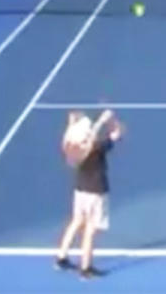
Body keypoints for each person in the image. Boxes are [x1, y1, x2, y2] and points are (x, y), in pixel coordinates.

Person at [55, 110, 124, 280]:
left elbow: (87, 135)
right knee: (90, 230)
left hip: (80, 190)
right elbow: (116, 134)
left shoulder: (70, 146)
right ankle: (85, 268)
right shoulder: (97, 147)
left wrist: (97, 121)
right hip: (96, 191)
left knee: (77, 221)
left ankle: (61, 258)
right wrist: (112, 124)